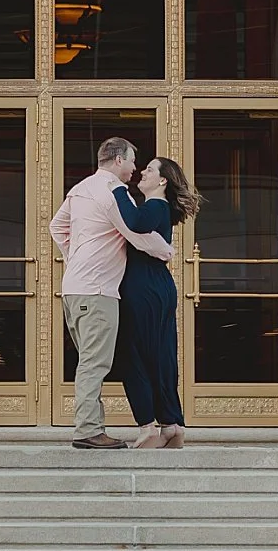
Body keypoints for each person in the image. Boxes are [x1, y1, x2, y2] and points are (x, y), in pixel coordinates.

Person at [48, 135, 172, 449]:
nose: (135, 168)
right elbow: (134, 233)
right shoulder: (113, 193)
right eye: (132, 160)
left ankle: (90, 427)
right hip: (98, 291)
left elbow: (56, 227)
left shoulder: (80, 188)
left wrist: (75, 256)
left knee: (90, 359)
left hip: (75, 289)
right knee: (94, 363)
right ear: (118, 160)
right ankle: (88, 431)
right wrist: (165, 251)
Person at [112, 154, 199, 448]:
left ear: (162, 180)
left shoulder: (153, 206)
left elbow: (135, 223)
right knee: (160, 355)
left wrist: (115, 189)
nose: (142, 173)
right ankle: (172, 425)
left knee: (130, 354)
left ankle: (148, 426)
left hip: (143, 287)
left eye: (149, 169)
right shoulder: (159, 208)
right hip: (156, 286)